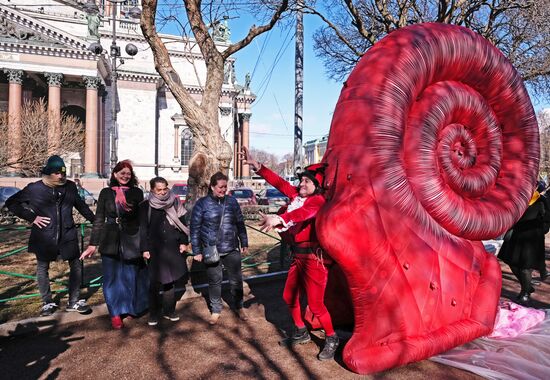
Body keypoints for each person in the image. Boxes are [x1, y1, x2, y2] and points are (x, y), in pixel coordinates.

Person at [239, 146, 339, 361]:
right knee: (289, 296)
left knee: (316, 304)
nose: (301, 184)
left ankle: (332, 338)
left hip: (314, 259)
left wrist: (280, 218)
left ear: (316, 185)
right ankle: (301, 332)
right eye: (301, 181)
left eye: (307, 182)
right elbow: (279, 183)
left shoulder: (317, 201)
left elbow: (303, 213)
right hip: (299, 257)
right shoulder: (297, 195)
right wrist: (257, 166)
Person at [6, 155, 95, 316]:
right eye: (56, 173)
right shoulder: (34, 188)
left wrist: (96, 221)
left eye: (63, 172)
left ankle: (73, 301)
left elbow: (81, 206)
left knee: (76, 266)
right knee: (42, 268)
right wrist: (32, 218)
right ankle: (47, 302)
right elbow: (11, 203)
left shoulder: (70, 187)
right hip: (44, 236)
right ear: (48, 173)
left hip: (68, 234)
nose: (61, 176)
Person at [80, 160, 148, 329]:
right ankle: (115, 313)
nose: (125, 176)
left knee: (130, 276)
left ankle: (129, 307)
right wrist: (92, 244)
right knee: (111, 279)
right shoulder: (105, 192)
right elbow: (98, 219)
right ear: (115, 174)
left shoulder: (137, 192)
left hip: (131, 238)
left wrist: (145, 245)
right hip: (110, 238)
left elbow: (142, 220)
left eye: (128, 174)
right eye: (122, 173)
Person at [190, 172, 249, 325]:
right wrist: (196, 251)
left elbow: (240, 223)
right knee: (214, 281)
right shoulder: (201, 204)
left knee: (236, 280)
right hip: (211, 249)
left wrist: (244, 242)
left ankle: (239, 306)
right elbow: (195, 228)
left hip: (231, 247)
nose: (223, 190)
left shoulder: (232, 202)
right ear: (212, 187)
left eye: (225, 187)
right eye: (220, 187)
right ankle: (216, 310)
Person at [140, 177, 190, 326]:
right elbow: (143, 229)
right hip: (154, 248)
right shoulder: (145, 206)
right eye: (158, 190)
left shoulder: (174, 201)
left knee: (170, 281)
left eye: (164, 189)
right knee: (154, 282)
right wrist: (144, 249)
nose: (162, 193)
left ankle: (169, 310)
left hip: (172, 246)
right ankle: (154, 313)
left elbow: (182, 224)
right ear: (152, 190)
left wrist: (183, 242)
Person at [499, 187, 550, 303]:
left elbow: (548, 217)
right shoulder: (518, 197)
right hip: (516, 234)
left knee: (525, 267)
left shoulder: (541, 200)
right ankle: (527, 286)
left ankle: (525, 292)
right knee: (511, 262)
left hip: (532, 237)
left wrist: (543, 228)